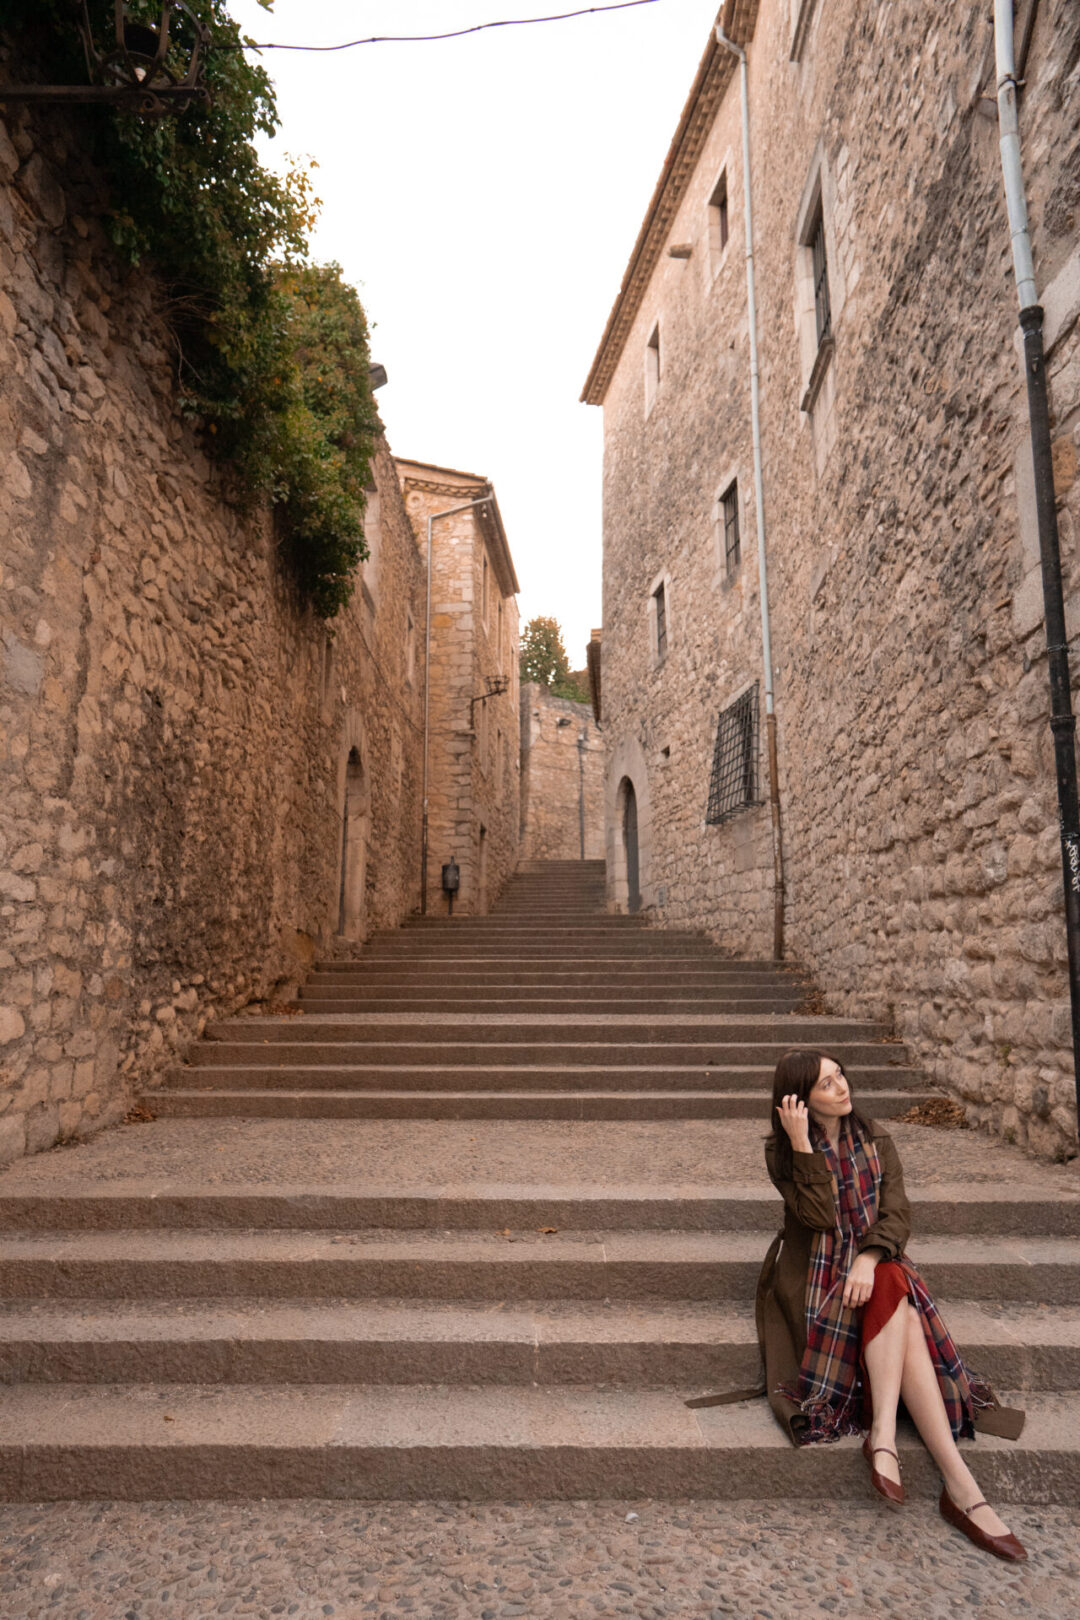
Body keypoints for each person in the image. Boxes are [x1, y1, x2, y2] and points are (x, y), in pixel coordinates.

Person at [761, 1049, 1026, 1562]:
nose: (842, 1087)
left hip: (873, 1267)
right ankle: (961, 1491)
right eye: (825, 1084)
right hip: (818, 1279)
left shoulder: (876, 1139)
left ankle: (888, 1438)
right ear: (799, 1100)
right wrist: (802, 1145)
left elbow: (897, 1215)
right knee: (899, 1298)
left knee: (889, 1279)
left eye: (840, 1075)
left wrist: (868, 1257)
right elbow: (819, 1218)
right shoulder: (782, 1152)